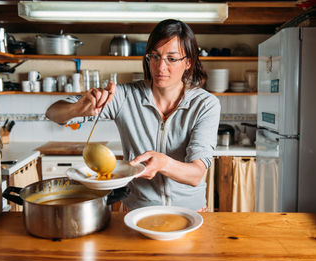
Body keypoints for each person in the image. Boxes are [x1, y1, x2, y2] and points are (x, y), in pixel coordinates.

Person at [46, 19, 221, 211]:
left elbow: (196, 174)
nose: (160, 67)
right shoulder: (124, 96)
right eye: (154, 56)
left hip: (189, 211)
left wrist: (164, 163)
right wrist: (78, 108)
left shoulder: (205, 104)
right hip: (137, 211)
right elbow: (53, 113)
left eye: (171, 59)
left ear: (188, 62)